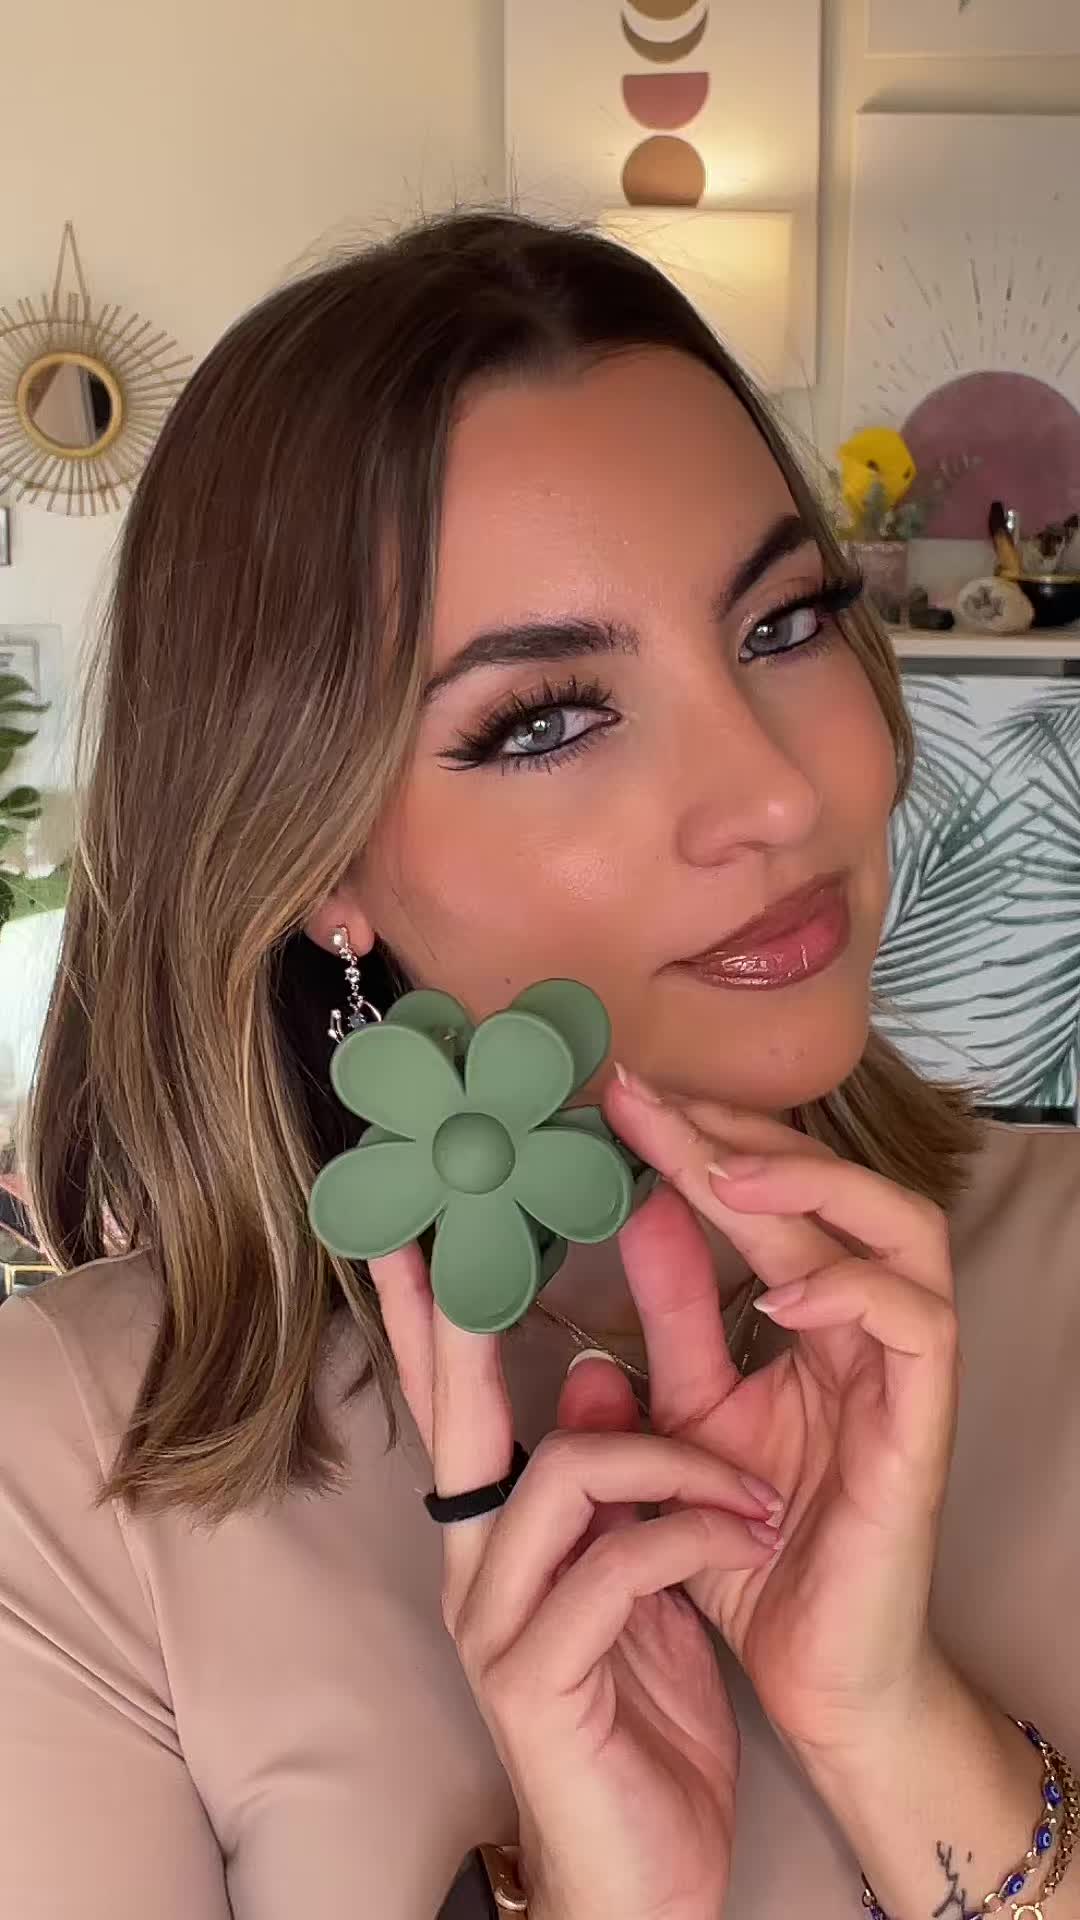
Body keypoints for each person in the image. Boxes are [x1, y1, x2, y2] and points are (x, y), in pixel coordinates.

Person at [0, 210, 1077, 1920]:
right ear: (314, 862)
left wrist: (894, 1734)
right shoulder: (67, 1475)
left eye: (785, 623)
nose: (777, 794)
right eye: (548, 721)